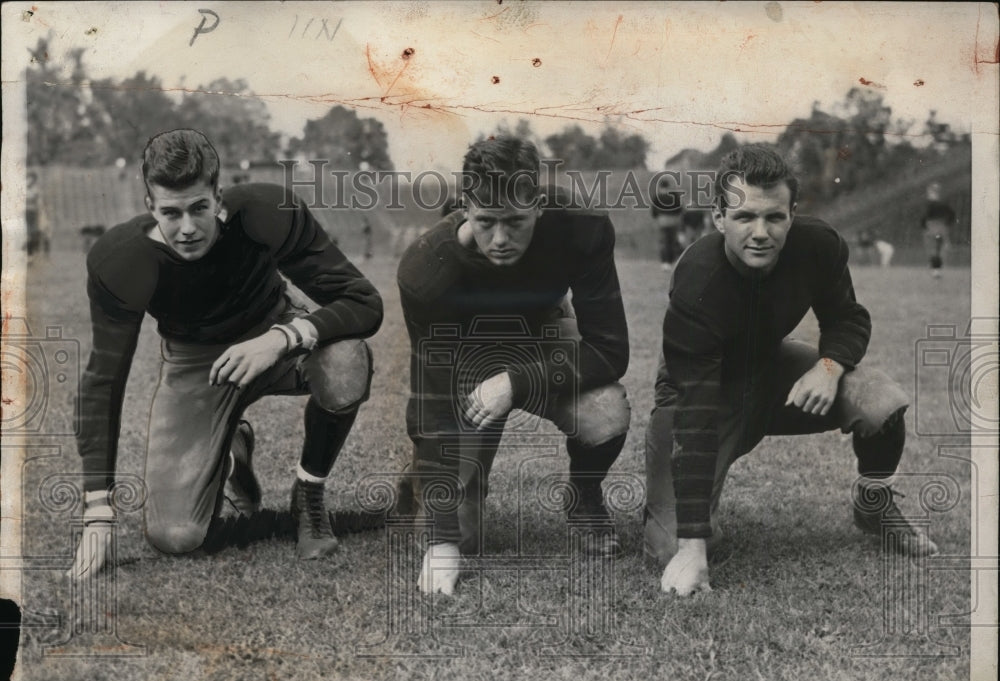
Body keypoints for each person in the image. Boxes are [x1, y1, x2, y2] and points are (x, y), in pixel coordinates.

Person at [70, 129, 383, 580]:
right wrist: (97, 510)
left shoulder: (265, 212)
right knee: (175, 537)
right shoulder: (121, 260)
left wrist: (282, 338)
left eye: (199, 208)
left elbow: (363, 302)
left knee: (347, 361)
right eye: (171, 213)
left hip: (275, 331)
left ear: (218, 196)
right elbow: (104, 380)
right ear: (149, 207)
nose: (189, 228)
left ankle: (309, 492)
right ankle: (234, 449)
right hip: (196, 363)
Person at [644, 144, 938, 597]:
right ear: (718, 218)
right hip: (703, 391)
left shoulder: (818, 245)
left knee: (880, 400)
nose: (761, 232)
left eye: (774, 218)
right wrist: (692, 544)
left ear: (792, 213)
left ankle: (873, 504)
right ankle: (678, 527)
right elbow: (696, 410)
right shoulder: (698, 279)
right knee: (670, 548)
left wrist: (829, 364)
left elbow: (848, 318)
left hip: (770, 367)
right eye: (744, 218)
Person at [397, 135, 631, 595]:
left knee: (605, 413)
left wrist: (515, 383)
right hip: (464, 356)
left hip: (542, 339)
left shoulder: (582, 228)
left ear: (539, 205)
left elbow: (609, 350)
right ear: (465, 207)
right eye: (486, 221)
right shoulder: (427, 270)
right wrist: (443, 544)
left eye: (516, 222)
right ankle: (427, 478)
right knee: (463, 538)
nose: (501, 239)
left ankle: (583, 494)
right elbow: (431, 402)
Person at [920, 182, 957, 279]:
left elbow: (924, 218)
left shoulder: (929, 204)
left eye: (930, 192)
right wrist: (946, 225)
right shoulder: (944, 204)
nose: (929, 194)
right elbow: (952, 215)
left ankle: (935, 270)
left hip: (932, 228)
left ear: (933, 192)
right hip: (941, 228)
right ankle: (936, 269)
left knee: (933, 250)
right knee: (939, 249)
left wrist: (924, 227)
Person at [651, 178, 684, 271]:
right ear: (668, 187)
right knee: (672, 241)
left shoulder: (657, 197)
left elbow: (653, 212)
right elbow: (679, 209)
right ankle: (671, 261)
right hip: (673, 221)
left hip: (662, 221)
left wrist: (657, 217)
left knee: (664, 242)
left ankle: (665, 262)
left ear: (661, 187)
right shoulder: (674, 196)